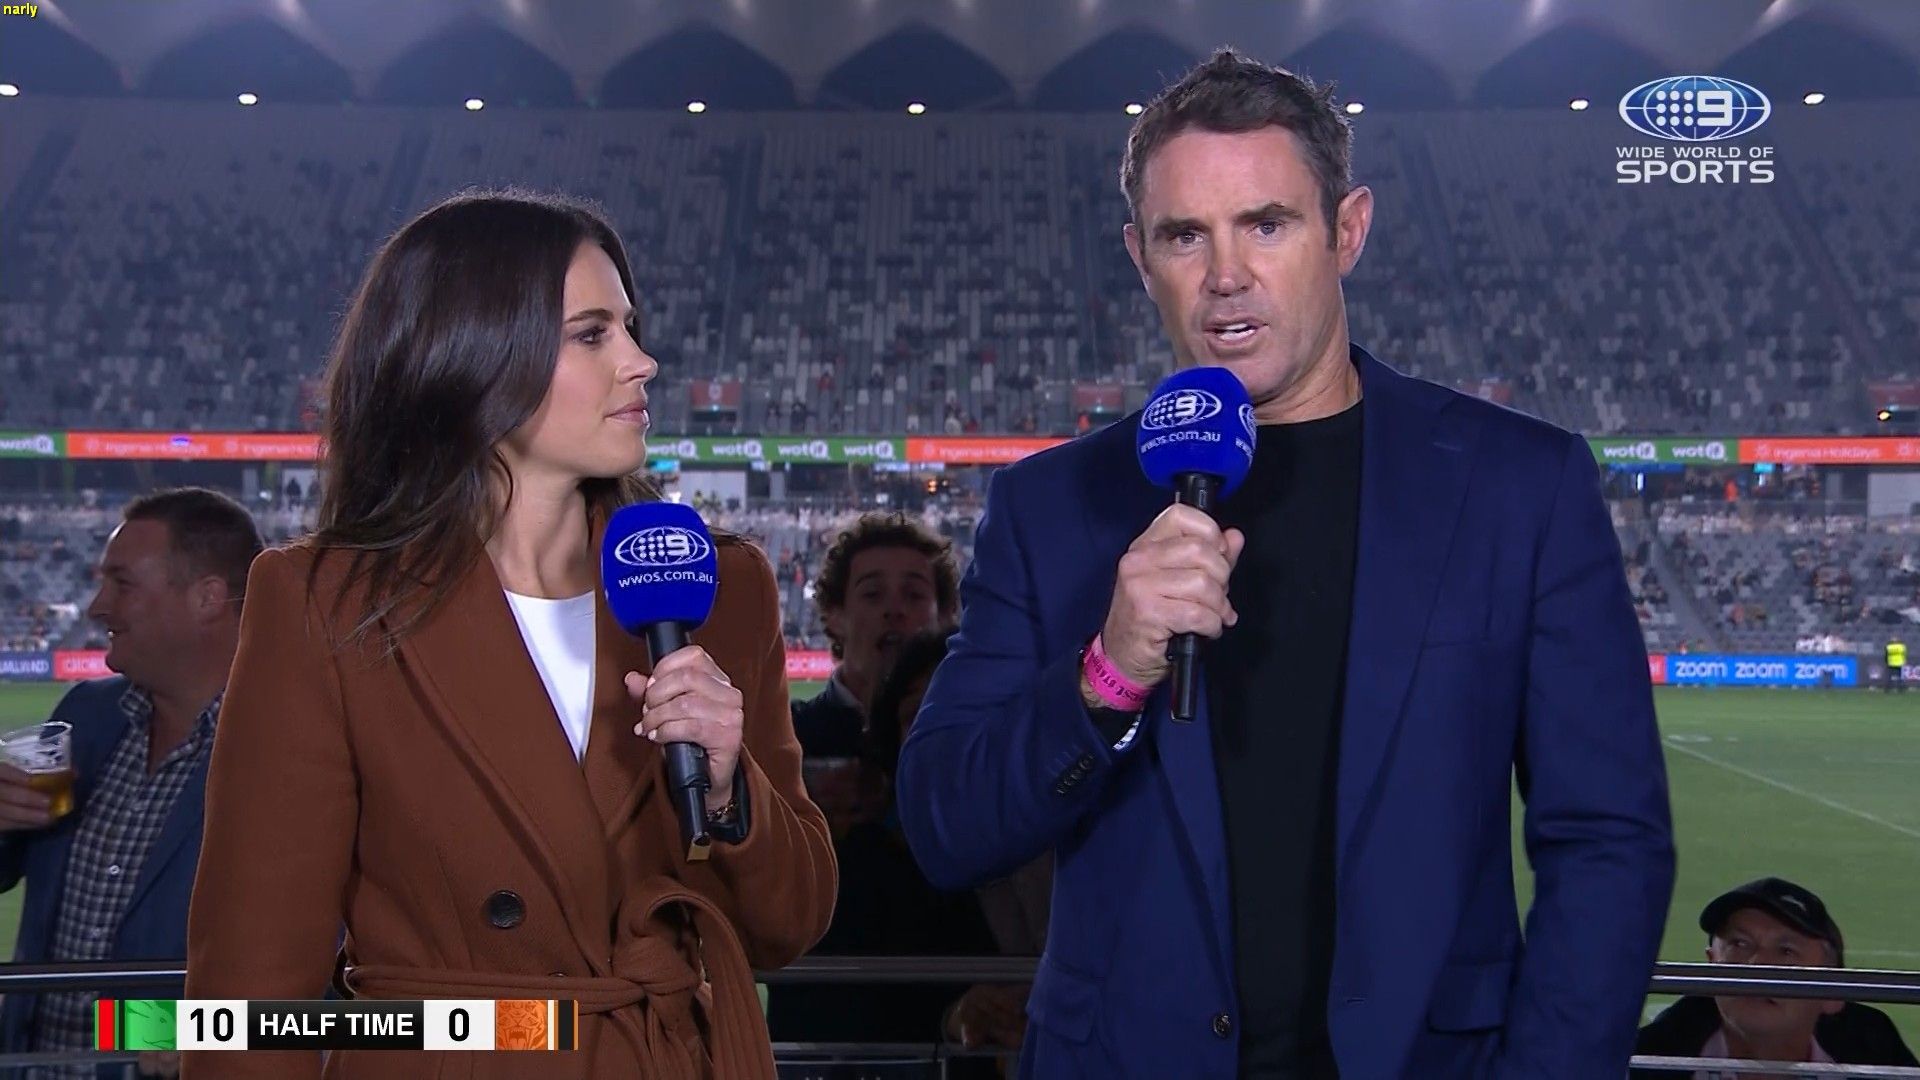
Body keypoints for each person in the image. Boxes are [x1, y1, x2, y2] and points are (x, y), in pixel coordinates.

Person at [897, 49, 1674, 1079]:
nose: (1226, 274)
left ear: (1347, 230)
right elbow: (946, 826)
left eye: (1266, 224)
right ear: (1140, 256)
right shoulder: (1054, 506)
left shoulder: (1518, 488)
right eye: (1185, 235)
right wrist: (1107, 673)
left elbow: (1609, 839)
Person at [183, 191, 836, 1079]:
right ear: (473, 357)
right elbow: (252, 991)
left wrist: (730, 796)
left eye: (631, 329)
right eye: (592, 334)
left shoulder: (726, 588)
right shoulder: (320, 604)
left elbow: (790, 927)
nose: (642, 362)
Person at [0, 488, 263, 1080]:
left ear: (207, 598)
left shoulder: (288, 744)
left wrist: (184, 1034)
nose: (97, 606)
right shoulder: (88, 716)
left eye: (122, 584)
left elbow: (331, 974)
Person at [1633, 878, 1916, 1077]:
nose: (1758, 964)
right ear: (1710, 967)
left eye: (1786, 951)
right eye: (1740, 944)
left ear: (1833, 993)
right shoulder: (1649, 1058)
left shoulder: (1875, 1051)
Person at [789, 512, 959, 758]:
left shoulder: (975, 738)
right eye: (873, 594)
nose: (894, 609)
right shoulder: (784, 740)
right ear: (835, 615)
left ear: (944, 616)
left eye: (914, 595)